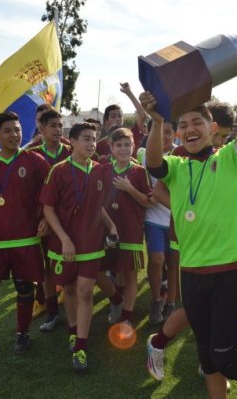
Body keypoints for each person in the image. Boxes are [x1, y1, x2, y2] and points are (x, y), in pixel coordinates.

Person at [140, 32, 237, 399]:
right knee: (208, 358)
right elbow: (153, 163)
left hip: (231, 271)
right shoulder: (176, 165)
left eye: (197, 123)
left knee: (226, 357)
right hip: (193, 272)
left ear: (213, 128)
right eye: (182, 125)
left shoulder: (230, 158)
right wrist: (156, 121)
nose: (188, 129)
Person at [0, 112, 51, 366]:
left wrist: (46, 218)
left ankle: (22, 334)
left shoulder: (35, 161)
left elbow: (51, 194)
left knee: (25, 288)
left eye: (17, 129)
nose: (14, 135)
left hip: (26, 240)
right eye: (7, 131)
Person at [40, 122, 118, 371]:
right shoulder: (58, 170)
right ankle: (73, 331)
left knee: (85, 290)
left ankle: (81, 347)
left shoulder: (100, 171)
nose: (91, 143)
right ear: (71, 141)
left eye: (94, 139)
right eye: (86, 138)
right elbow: (48, 208)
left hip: (91, 243)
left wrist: (111, 225)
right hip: (64, 243)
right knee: (71, 289)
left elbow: (98, 205)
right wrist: (64, 238)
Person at [102, 127, 153, 327]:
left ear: (133, 147)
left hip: (131, 230)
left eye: (127, 145)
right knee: (106, 270)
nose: (123, 149)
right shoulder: (104, 169)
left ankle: (127, 316)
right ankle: (117, 300)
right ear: (112, 148)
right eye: (119, 145)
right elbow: (96, 200)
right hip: (107, 230)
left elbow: (149, 203)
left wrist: (129, 189)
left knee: (130, 274)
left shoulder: (139, 172)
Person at [27, 109, 71, 328]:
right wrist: (43, 217)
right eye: (53, 125)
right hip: (43, 221)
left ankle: (76, 310)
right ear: (41, 128)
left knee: (72, 264)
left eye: (60, 125)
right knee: (46, 267)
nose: (58, 129)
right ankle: (52, 312)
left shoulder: (73, 151)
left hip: (71, 220)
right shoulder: (32, 154)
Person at [136, 120, 177, 325]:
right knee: (156, 259)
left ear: (175, 134)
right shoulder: (143, 154)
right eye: (159, 131)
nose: (164, 136)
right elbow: (138, 179)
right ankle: (156, 299)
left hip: (176, 219)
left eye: (168, 132)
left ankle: (170, 302)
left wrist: (162, 195)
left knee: (173, 261)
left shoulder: (182, 154)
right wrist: (146, 195)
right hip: (153, 218)